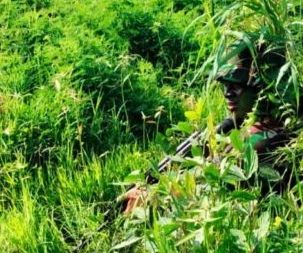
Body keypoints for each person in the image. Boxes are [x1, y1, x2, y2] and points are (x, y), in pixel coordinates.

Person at [121, 40, 285, 214]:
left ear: (262, 89)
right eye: (225, 85)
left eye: (237, 86)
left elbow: (207, 182)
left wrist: (150, 194)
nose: (228, 93)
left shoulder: (256, 137)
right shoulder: (258, 122)